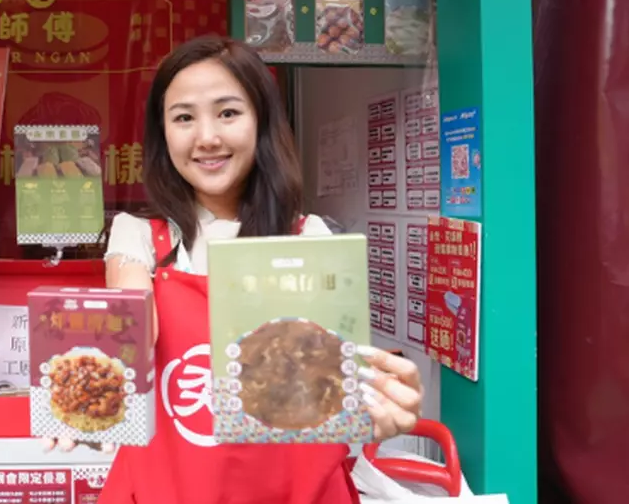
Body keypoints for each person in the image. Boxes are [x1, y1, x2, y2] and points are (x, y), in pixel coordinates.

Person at [44, 36, 424, 503]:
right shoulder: (138, 237)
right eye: (184, 117)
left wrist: (378, 403)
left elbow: (329, 386)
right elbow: (127, 328)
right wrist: (89, 394)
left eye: (227, 113)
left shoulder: (310, 238)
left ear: (262, 121)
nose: (207, 137)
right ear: (163, 134)